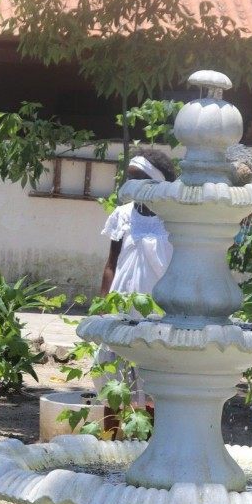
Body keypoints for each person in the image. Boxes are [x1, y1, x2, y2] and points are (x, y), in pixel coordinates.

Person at [95, 149, 177, 417]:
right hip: (120, 306)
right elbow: (111, 263)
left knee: (152, 380)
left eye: (139, 178)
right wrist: (103, 301)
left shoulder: (173, 219)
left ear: (156, 182)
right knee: (114, 382)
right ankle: (112, 442)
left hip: (157, 310)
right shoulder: (122, 215)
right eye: (129, 178)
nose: (132, 184)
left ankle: (148, 444)